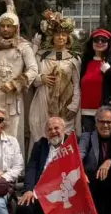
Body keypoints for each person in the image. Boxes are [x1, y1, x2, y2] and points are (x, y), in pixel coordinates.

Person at [0, 0, 38, 145]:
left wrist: (15, 84)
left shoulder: (23, 47)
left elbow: (33, 70)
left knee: (11, 136)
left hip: (13, 100)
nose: (5, 29)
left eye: (9, 26)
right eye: (2, 26)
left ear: (15, 28)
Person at [16, 117, 71, 214]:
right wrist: (28, 190)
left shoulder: (72, 143)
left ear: (63, 129)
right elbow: (32, 168)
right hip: (38, 192)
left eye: (56, 128)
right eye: (50, 129)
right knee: (22, 210)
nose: (53, 132)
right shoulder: (40, 146)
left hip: (61, 194)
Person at [30, 10, 80, 145]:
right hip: (44, 101)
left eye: (64, 35)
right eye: (57, 35)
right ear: (52, 37)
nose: (61, 37)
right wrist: (41, 78)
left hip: (66, 103)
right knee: (42, 134)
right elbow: (31, 79)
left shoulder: (74, 58)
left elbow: (77, 84)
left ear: (68, 37)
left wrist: (74, 106)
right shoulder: (41, 56)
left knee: (64, 136)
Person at [79, 106, 111, 214]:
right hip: (93, 179)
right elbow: (79, 155)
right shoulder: (87, 137)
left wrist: (110, 161)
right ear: (96, 123)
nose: (105, 125)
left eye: (109, 122)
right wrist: (80, 171)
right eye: (101, 121)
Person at [77, 28, 111, 133]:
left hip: (105, 112)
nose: (100, 42)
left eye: (103, 40)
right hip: (86, 112)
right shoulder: (85, 62)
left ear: (109, 43)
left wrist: (109, 71)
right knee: (87, 141)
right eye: (96, 40)